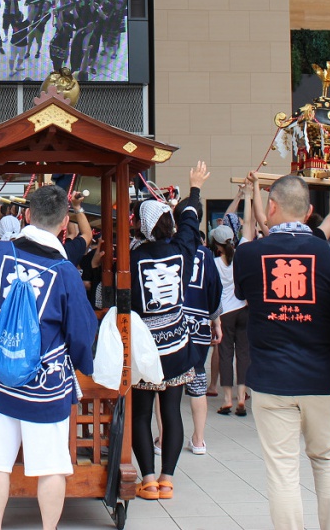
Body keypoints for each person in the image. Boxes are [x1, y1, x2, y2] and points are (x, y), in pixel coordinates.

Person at [0, 184, 98, 530]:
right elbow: (82, 333)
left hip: (0, 376)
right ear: (64, 223)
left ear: (27, 215)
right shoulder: (65, 272)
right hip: (45, 387)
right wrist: (86, 365)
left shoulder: (0, 253)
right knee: (51, 467)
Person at [233, 174, 330, 530]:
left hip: (270, 379)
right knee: (327, 458)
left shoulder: (248, 254)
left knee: (282, 469)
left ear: (271, 207)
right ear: (308, 212)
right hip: (320, 378)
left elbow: (243, 297)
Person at [127, 164, 207, 500]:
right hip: (177, 343)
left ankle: (147, 479)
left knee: (141, 414)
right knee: (172, 412)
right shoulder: (181, 251)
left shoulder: (132, 259)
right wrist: (195, 188)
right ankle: (167, 479)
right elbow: (190, 220)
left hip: (145, 349)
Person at [183, 191, 223, 457]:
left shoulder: (173, 248)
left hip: (172, 326)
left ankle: (163, 439)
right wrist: (215, 321)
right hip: (199, 324)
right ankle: (199, 439)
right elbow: (214, 290)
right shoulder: (206, 254)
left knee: (167, 384)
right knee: (197, 380)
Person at [214, 221, 249, 416]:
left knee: (226, 354)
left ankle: (227, 399)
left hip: (225, 312)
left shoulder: (215, 263)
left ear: (216, 244)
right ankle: (241, 398)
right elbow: (249, 224)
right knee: (243, 353)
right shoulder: (241, 256)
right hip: (243, 308)